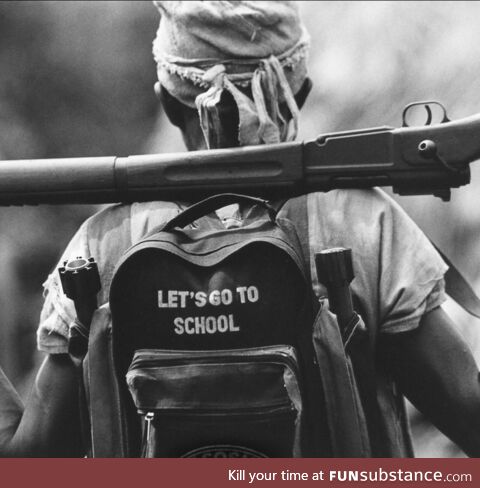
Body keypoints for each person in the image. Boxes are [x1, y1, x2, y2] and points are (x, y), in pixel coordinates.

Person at [1, 0, 480, 457]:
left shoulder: (103, 242)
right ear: (302, 92)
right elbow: (468, 413)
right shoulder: (363, 223)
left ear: (167, 102)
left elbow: (28, 460)